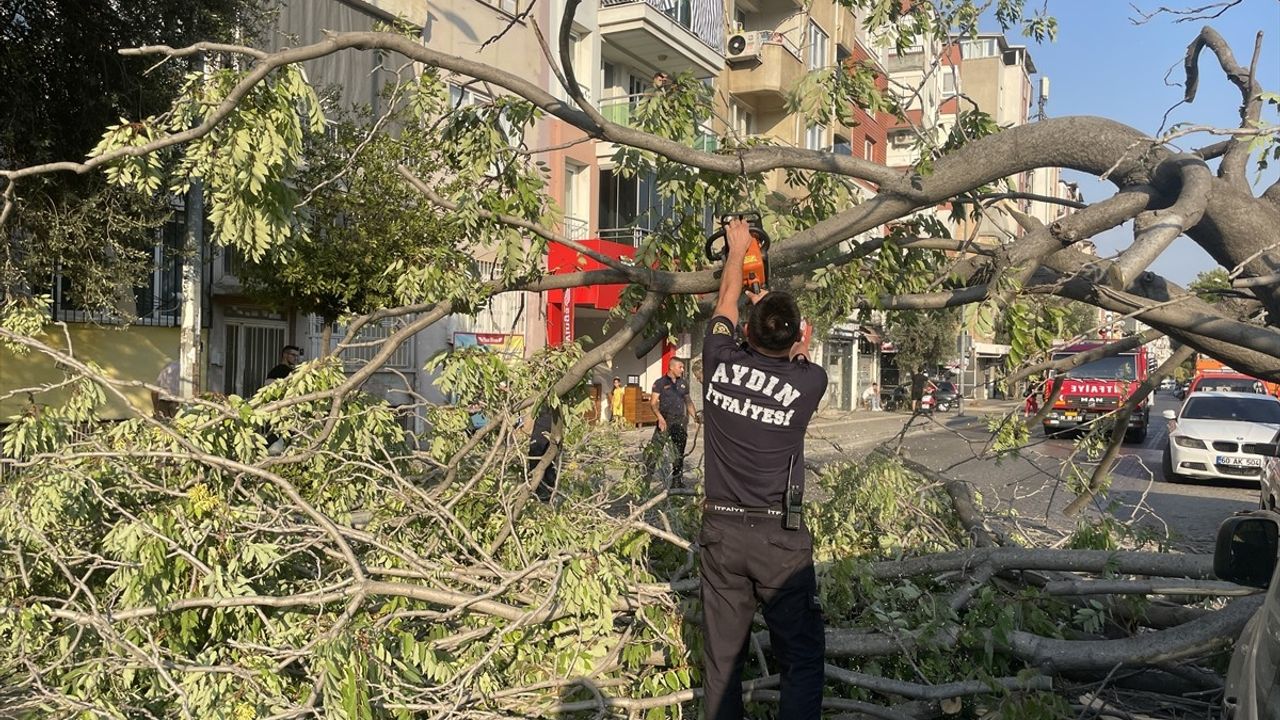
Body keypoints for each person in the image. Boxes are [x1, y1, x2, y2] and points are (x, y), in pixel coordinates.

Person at [698, 218, 828, 720]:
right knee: (800, 658)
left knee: (722, 663)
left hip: (723, 533)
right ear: (800, 338)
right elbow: (793, 354)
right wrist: (784, 328)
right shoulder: (809, 382)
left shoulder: (717, 357)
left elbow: (725, 303)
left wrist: (736, 252)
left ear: (746, 332)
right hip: (779, 541)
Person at [648, 360, 698, 487]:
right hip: (664, 421)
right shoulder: (660, 383)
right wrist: (659, 417)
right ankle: (645, 481)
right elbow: (653, 403)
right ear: (671, 367)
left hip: (680, 422)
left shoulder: (683, 383)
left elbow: (688, 401)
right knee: (655, 451)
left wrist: (695, 416)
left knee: (678, 452)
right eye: (680, 367)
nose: (682, 369)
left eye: (682, 367)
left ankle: (677, 482)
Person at [526, 404, 558, 502]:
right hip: (552, 419)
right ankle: (547, 488)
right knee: (548, 456)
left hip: (547, 419)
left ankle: (540, 488)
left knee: (537, 453)